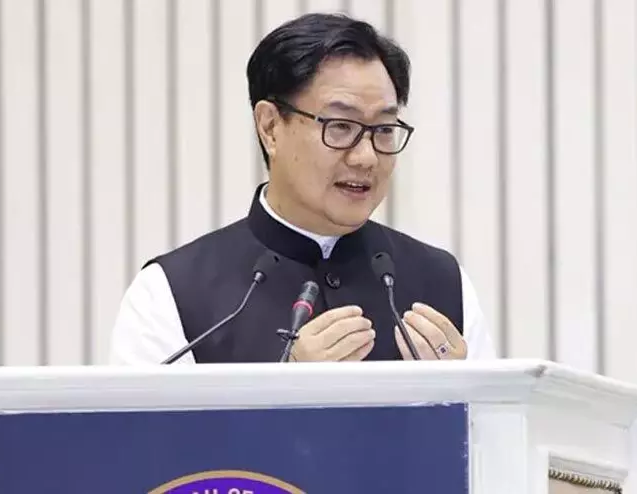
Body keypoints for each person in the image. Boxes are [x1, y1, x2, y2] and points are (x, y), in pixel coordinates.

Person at [110, 12, 496, 365]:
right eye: (340, 126)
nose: (366, 157)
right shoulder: (170, 295)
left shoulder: (444, 283)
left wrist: (464, 397)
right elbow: (149, 424)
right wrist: (288, 390)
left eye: (383, 129)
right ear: (270, 127)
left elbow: (500, 421)